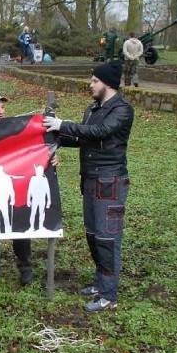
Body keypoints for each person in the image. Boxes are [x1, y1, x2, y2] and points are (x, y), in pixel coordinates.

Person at [43, 63, 133, 312]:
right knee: (93, 235)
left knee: (107, 238)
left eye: (94, 80)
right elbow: (85, 138)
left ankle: (108, 294)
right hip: (91, 180)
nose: (90, 84)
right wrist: (55, 137)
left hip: (111, 181)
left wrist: (62, 124)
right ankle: (99, 282)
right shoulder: (92, 109)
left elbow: (101, 132)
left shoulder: (122, 110)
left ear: (108, 83)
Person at [0, 92, 33, 285]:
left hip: (12, 189)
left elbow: (32, 150)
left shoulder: (13, 130)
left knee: (18, 225)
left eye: (2, 107)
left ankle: (25, 267)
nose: (0, 111)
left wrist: (50, 157)